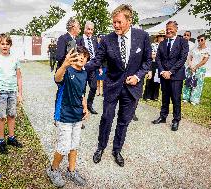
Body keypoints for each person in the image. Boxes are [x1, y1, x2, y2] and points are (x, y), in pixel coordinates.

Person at [85, 4, 152, 167]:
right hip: (112, 86)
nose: (115, 25)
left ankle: (117, 150)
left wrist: (138, 76)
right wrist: (79, 67)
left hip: (132, 89)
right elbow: (97, 60)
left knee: (124, 121)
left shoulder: (142, 36)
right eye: (113, 22)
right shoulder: (107, 39)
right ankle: (101, 147)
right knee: (107, 118)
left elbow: (148, 61)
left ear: (129, 20)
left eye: (119, 22)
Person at [47, 46, 89, 188]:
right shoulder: (67, 70)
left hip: (77, 116)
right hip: (64, 114)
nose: (82, 57)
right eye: (79, 55)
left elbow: (82, 93)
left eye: (85, 55)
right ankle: (53, 170)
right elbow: (56, 78)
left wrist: (85, 107)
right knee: (64, 146)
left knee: (74, 145)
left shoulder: (84, 73)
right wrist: (64, 64)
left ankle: (71, 171)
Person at [0, 33, 23, 154]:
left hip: (12, 91)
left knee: (12, 115)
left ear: (10, 45)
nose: (5, 46)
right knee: (1, 117)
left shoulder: (15, 58)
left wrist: (20, 93)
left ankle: (11, 138)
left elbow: (19, 77)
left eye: (7, 44)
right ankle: (1, 141)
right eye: (2, 44)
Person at [152, 21, 189, 131]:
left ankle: (176, 120)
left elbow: (182, 59)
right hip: (164, 75)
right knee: (165, 97)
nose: (169, 30)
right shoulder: (162, 43)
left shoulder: (183, 42)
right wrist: (163, 71)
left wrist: (170, 72)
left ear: (176, 29)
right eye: (167, 28)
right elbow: (158, 58)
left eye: (171, 28)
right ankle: (163, 116)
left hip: (176, 76)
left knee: (176, 99)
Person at [77, 21, 99, 114]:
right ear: (84, 28)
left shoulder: (94, 40)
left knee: (93, 87)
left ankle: (89, 105)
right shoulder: (79, 39)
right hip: (83, 68)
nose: (90, 31)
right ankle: (81, 108)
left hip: (93, 68)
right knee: (82, 89)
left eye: (91, 29)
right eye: (88, 29)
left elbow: (98, 54)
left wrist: (99, 66)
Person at [183, 34, 211, 105]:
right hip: (191, 67)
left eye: (201, 40)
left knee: (197, 84)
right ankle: (185, 98)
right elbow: (190, 57)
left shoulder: (207, 50)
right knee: (188, 83)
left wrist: (196, 67)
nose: (200, 41)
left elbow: (204, 60)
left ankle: (194, 100)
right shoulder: (195, 49)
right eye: (198, 40)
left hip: (200, 69)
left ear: (205, 40)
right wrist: (190, 65)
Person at [143, 30, 165, 101]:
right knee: (150, 79)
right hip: (153, 63)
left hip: (160, 64)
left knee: (157, 80)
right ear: (157, 37)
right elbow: (151, 55)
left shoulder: (165, 46)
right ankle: (147, 96)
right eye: (161, 36)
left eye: (163, 36)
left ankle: (155, 96)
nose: (162, 38)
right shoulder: (153, 45)